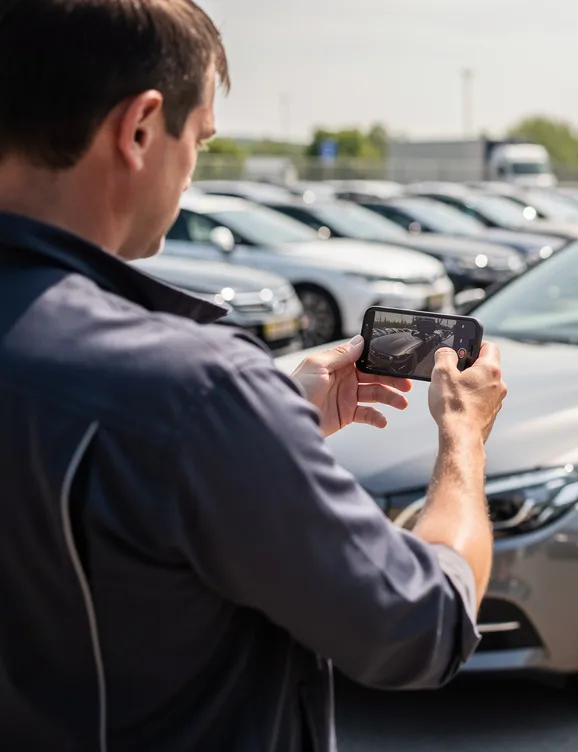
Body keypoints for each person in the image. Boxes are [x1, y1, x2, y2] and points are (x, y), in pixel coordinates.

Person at [0, 2, 506, 751]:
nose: (193, 167)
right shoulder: (194, 391)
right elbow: (419, 628)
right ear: (140, 129)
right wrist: (463, 443)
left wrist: (274, 419)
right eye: (199, 139)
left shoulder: (194, 401)